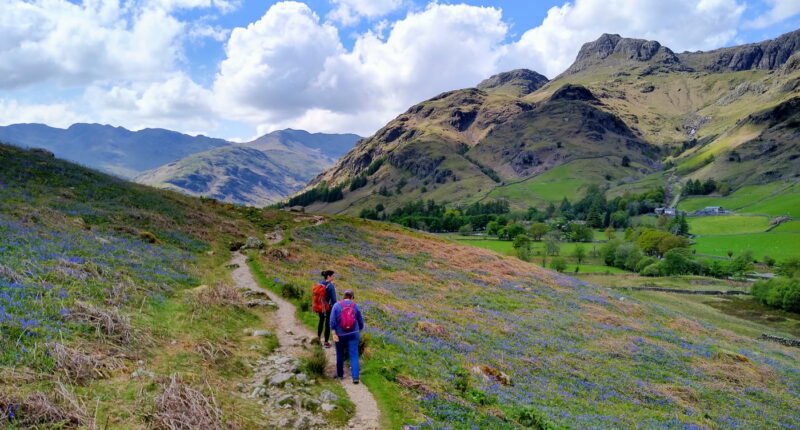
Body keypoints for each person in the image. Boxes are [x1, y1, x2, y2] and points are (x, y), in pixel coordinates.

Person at [330, 289, 364, 384]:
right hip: (353, 334)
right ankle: (355, 377)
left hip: (340, 334)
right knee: (354, 355)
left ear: (343, 296)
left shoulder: (337, 306)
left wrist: (334, 333)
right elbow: (360, 320)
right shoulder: (355, 306)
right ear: (352, 297)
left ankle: (340, 375)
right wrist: (360, 329)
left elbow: (332, 321)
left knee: (340, 354)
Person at [318, 270, 337, 348]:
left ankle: (318, 338)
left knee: (321, 321)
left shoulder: (320, 283)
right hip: (328, 307)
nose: (333, 277)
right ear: (328, 276)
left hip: (320, 306)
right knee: (327, 324)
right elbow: (333, 300)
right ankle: (326, 342)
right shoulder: (331, 286)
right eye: (332, 276)